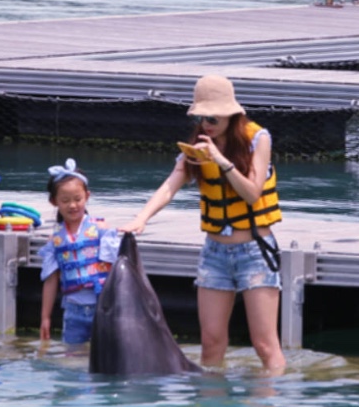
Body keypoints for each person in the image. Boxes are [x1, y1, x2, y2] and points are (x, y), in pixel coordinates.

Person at [123, 74, 287, 374]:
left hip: (254, 252)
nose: (207, 123)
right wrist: (141, 218)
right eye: (202, 116)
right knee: (211, 342)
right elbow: (171, 184)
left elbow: (252, 194)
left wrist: (221, 159)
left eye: (214, 117)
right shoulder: (196, 145)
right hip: (215, 253)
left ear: (231, 114)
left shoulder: (257, 139)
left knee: (264, 345)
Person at [38, 158, 121, 348]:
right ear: (54, 202)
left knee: (107, 354)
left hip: (103, 308)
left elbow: (118, 268)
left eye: (78, 199)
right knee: (72, 357)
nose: (72, 205)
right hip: (73, 311)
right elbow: (50, 281)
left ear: (87, 196)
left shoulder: (101, 229)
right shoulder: (56, 240)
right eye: (65, 201)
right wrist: (45, 318)